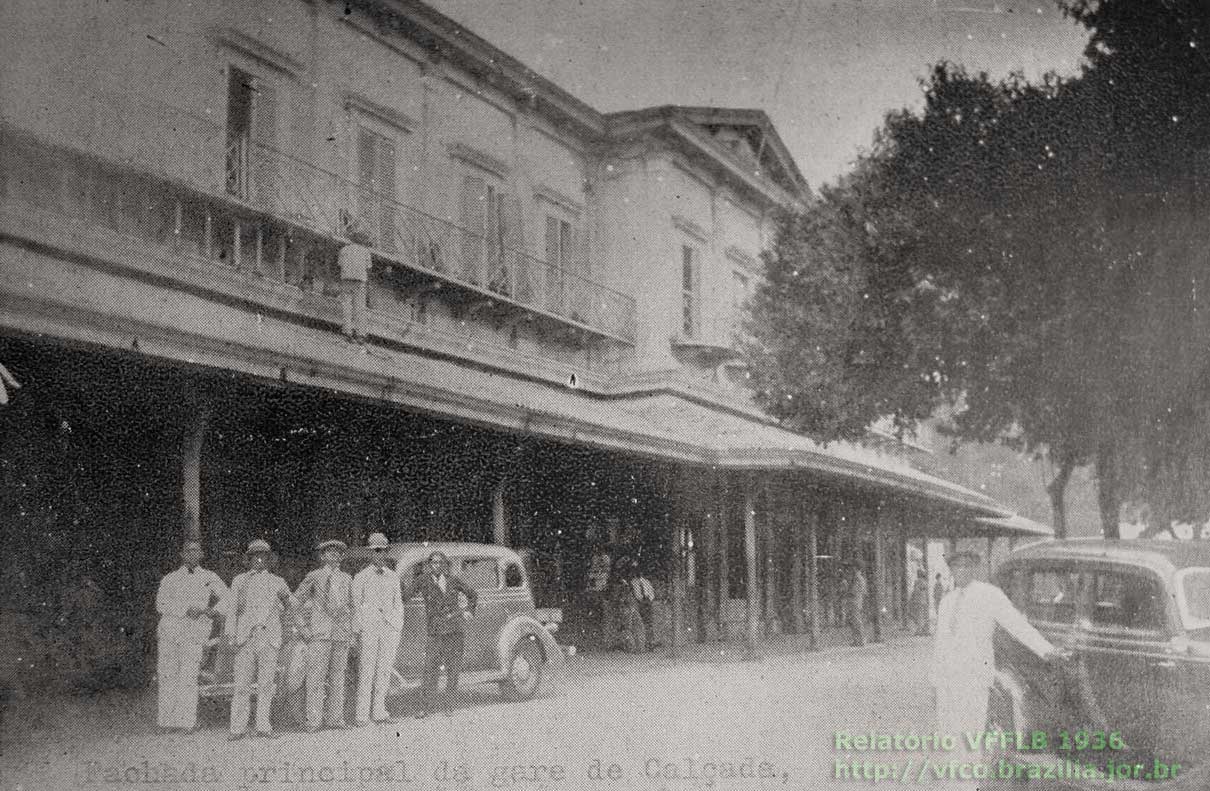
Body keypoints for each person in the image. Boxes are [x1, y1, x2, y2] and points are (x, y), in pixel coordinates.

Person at [930, 550, 1066, 788]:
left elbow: (1017, 625)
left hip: (973, 679)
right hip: (947, 682)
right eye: (955, 567)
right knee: (948, 738)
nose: (959, 571)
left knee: (970, 737)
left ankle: (969, 787)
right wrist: (935, 681)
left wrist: (1046, 650)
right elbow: (941, 644)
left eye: (965, 566)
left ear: (975, 569)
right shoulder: (947, 601)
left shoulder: (989, 595)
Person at [223, 539, 296, 740]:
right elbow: (231, 612)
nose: (259, 560)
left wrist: (287, 601)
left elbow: (292, 604)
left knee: (265, 685)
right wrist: (231, 636)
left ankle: (263, 726)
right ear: (249, 559)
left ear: (269, 559)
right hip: (245, 637)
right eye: (255, 556)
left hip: (269, 637)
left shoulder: (277, 581)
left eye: (263, 556)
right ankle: (237, 728)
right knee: (242, 685)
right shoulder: (239, 581)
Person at [154, 540, 227, 732]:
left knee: (188, 676)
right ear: (182, 555)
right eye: (188, 552)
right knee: (168, 675)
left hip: (194, 633)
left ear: (201, 554)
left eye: (196, 551)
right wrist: (186, 610)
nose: (192, 555)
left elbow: (228, 598)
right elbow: (160, 604)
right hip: (170, 631)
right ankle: (166, 722)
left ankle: (186, 722)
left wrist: (212, 610)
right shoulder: (170, 578)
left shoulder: (209, 577)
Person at [401, 551, 478, 717]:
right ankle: (425, 707)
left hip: (454, 630)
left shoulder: (453, 580)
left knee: (453, 669)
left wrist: (468, 611)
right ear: (429, 565)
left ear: (444, 565)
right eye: (434, 563)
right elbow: (405, 596)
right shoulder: (423, 580)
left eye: (440, 562)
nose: (437, 565)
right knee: (430, 669)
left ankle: (449, 705)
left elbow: (472, 594)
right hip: (435, 631)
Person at [295, 539, 354, 732]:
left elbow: (352, 607)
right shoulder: (314, 576)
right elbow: (295, 603)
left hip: (340, 634)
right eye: (330, 552)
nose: (335, 556)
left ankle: (335, 719)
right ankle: (314, 721)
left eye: (338, 553)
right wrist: (303, 628)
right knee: (315, 679)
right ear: (322, 556)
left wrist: (350, 631)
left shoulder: (347, 578)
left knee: (338, 678)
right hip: (319, 634)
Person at [353, 532, 402, 725]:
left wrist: (396, 626)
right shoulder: (361, 577)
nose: (379, 555)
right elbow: (357, 606)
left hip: (388, 629)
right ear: (370, 554)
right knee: (367, 671)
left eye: (383, 551)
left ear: (387, 553)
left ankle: (379, 711)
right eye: (376, 551)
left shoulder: (393, 577)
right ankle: (362, 715)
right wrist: (361, 629)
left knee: (384, 670)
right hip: (370, 629)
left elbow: (398, 604)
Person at [628, 565, 657, 652]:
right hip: (639, 603)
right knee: (638, 624)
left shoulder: (646, 582)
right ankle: (639, 646)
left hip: (647, 602)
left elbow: (651, 592)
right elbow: (634, 593)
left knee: (649, 623)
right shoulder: (633, 582)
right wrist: (639, 600)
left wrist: (649, 600)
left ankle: (650, 644)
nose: (639, 573)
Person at [843, 561, 868, 647]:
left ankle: (861, 639)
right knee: (853, 621)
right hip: (855, 602)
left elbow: (854, 591)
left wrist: (846, 587)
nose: (852, 569)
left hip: (854, 602)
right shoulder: (858, 578)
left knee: (856, 621)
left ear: (857, 568)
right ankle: (857, 640)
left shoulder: (858, 579)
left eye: (853, 567)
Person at [906, 569, 930, 636]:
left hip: (917, 602)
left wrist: (911, 599)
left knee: (918, 616)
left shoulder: (918, 582)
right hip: (922, 602)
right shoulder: (924, 582)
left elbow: (915, 591)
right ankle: (920, 630)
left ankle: (919, 630)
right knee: (920, 616)